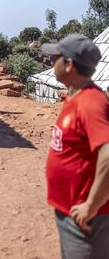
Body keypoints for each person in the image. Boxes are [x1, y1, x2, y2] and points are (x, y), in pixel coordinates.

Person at [43, 33, 109, 258]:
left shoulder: (91, 103)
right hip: (70, 210)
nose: (52, 63)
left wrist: (91, 205)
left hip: (89, 217)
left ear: (69, 64)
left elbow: (108, 154)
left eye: (56, 58)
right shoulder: (77, 96)